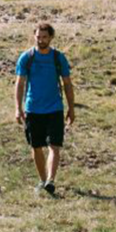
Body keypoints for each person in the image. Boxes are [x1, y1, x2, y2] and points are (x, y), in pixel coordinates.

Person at [14, 23, 75, 198]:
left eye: (44, 37)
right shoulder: (26, 58)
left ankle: (50, 180)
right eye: (38, 37)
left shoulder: (58, 58)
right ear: (34, 37)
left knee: (55, 146)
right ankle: (43, 181)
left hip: (55, 108)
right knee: (36, 146)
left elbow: (67, 84)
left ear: (51, 38)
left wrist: (71, 108)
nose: (41, 40)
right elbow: (19, 84)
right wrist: (18, 108)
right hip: (33, 109)